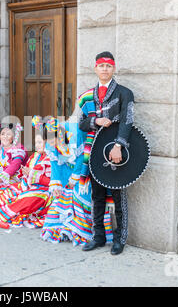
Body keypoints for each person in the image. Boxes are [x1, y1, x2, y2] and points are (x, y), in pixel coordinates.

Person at [79, 51, 134, 255]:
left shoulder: (124, 93)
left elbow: (128, 121)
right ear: (95, 68)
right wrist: (96, 121)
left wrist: (119, 146)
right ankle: (99, 237)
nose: (104, 69)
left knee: (119, 197)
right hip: (94, 152)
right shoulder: (87, 97)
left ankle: (120, 239)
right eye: (101, 66)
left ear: (114, 68)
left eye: (108, 66)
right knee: (98, 196)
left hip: (118, 153)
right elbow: (82, 124)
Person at [41, 116, 114, 246]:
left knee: (78, 194)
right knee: (60, 194)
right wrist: (56, 185)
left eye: (54, 140)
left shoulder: (75, 135)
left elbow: (83, 157)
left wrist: (74, 179)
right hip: (66, 172)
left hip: (86, 169)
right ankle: (63, 228)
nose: (52, 144)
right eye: (49, 141)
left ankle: (80, 232)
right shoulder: (51, 144)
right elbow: (55, 165)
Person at [0, 116, 52, 229]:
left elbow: (52, 181)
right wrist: (24, 172)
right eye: (36, 142)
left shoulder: (51, 159)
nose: (37, 145)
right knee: (7, 191)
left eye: (40, 142)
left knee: (27, 198)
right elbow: (26, 170)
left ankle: (8, 216)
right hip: (27, 185)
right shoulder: (34, 156)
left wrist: (33, 175)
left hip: (43, 190)